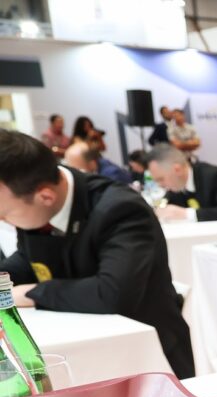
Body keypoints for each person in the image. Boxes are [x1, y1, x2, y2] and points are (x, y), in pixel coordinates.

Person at [0, 130, 195, 378]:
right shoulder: (31, 203)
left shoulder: (120, 208)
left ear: (45, 196)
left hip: (147, 357)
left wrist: (31, 293)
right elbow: (29, 258)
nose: (4, 221)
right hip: (78, 346)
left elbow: (112, 294)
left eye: (5, 215)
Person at [146, 144, 217, 222]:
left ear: (177, 170)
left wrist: (186, 214)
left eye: (161, 179)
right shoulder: (174, 188)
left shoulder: (215, 176)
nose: (160, 185)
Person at [62, 142, 133, 185]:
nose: (75, 174)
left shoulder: (111, 176)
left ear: (92, 164)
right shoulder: (98, 167)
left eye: (78, 169)